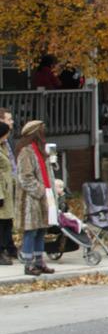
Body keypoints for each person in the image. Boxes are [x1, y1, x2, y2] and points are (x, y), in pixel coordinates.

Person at [14, 120, 56, 276]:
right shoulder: (26, 151)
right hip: (31, 198)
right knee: (30, 231)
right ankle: (28, 263)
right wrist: (40, 191)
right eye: (41, 130)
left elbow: (46, 172)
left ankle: (39, 262)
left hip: (45, 194)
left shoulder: (40, 150)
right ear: (35, 133)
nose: (44, 133)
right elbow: (25, 177)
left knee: (41, 229)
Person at [0, 108, 18, 261]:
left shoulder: (8, 141)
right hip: (2, 189)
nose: (12, 122)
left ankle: (9, 247)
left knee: (8, 220)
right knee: (3, 220)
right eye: (9, 119)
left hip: (10, 185)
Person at [0, 122, 14, 265]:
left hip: (7, 189)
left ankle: (7, 249)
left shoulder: (4, 147)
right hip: (1, 193)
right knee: (2, 224)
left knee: (7, 223)